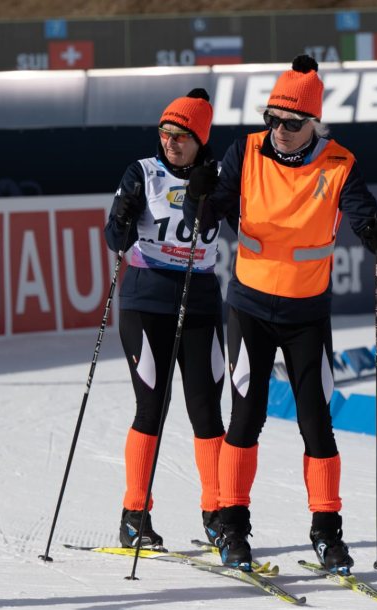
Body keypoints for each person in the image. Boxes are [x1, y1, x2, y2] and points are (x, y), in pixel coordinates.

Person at [184, 55, 377, 574]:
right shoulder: (246, 151)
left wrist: (374, 231)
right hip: (250, 306)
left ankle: (327, 533)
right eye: (271, 119)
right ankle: (232, 525)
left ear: (313, 125)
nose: (278, 131)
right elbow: (211, 208)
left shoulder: (339, 163)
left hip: (306, 313)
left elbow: (364, 209)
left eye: (291, 123)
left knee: (316, 421)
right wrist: (201, 198)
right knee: (245, 418)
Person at [104, 88, 226, 551]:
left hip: (199, 304)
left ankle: (218, 513)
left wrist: (202, 196)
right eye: (165, 132)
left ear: (200, 138)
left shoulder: (217, 177)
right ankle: (135, 514)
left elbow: (227, 222)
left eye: (181, 135)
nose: (171, 141)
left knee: (207, 412)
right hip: (146, 301)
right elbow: (115, 238)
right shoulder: (143, 171)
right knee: (150, 409)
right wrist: (121, 216)